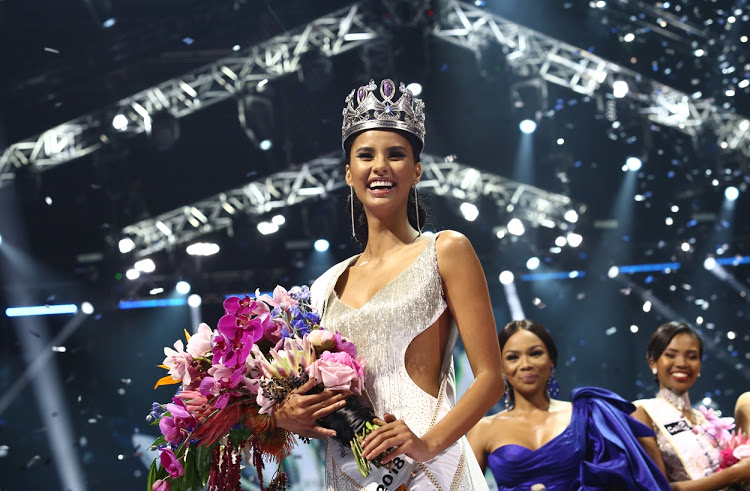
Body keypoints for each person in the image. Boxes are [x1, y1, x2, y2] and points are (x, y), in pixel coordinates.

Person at [273, 78, 504, 490]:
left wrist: (428, 443)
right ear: (349, 173)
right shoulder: (324, 286)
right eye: (366, 155)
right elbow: (316, 393)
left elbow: (489, 377)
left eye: (396, 155)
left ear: (416, 170)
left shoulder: (445, 251)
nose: (380, 166)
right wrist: (285, 413)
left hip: (431, 469)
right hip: (350, 475)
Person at [468, 319, 670, 490]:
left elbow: (622, 479)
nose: (526, 364)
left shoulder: (586, 415)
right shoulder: (483, 430)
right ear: (502, 368)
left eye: (535, 353)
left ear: (552, 361)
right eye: (513, 357)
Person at [632, 321, 750, 490]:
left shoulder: (707, 420)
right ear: (653, 363)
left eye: (692, 356)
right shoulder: (642, 412)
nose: (682, 363)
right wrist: (734, 474)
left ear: (700, 365)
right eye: (671, 355)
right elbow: (656, 488)